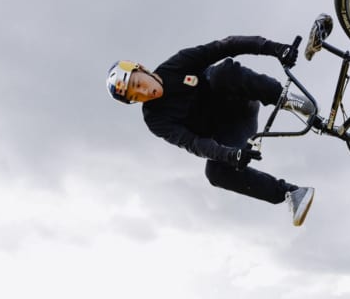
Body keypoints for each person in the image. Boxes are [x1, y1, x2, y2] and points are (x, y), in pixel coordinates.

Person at [105, 36, 316, 226]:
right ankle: (293, 193)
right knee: (215, 173)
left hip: (239, 101)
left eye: (138, 83)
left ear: (141, 68)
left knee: (220, 73)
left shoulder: (176, 65)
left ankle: (286, 99)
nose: (144, 92)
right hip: (231, 133)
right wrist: (230, 155)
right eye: (136, 96)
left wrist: (275, 49)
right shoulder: (155, 119)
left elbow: (225, 46)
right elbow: (193, 143)